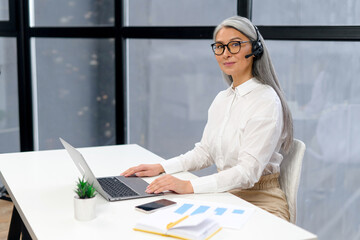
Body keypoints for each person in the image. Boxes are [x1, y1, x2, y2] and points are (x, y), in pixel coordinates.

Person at [121, 16, 293, 221]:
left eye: (235, 45)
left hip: (261, 200)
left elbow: (248, 173)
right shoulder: (223, 98)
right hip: (226, 196)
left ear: (254, 49)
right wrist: (162, 167)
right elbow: (205, 152)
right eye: (219, 47)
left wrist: (188, 186)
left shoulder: (265, 100)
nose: (226, 53)